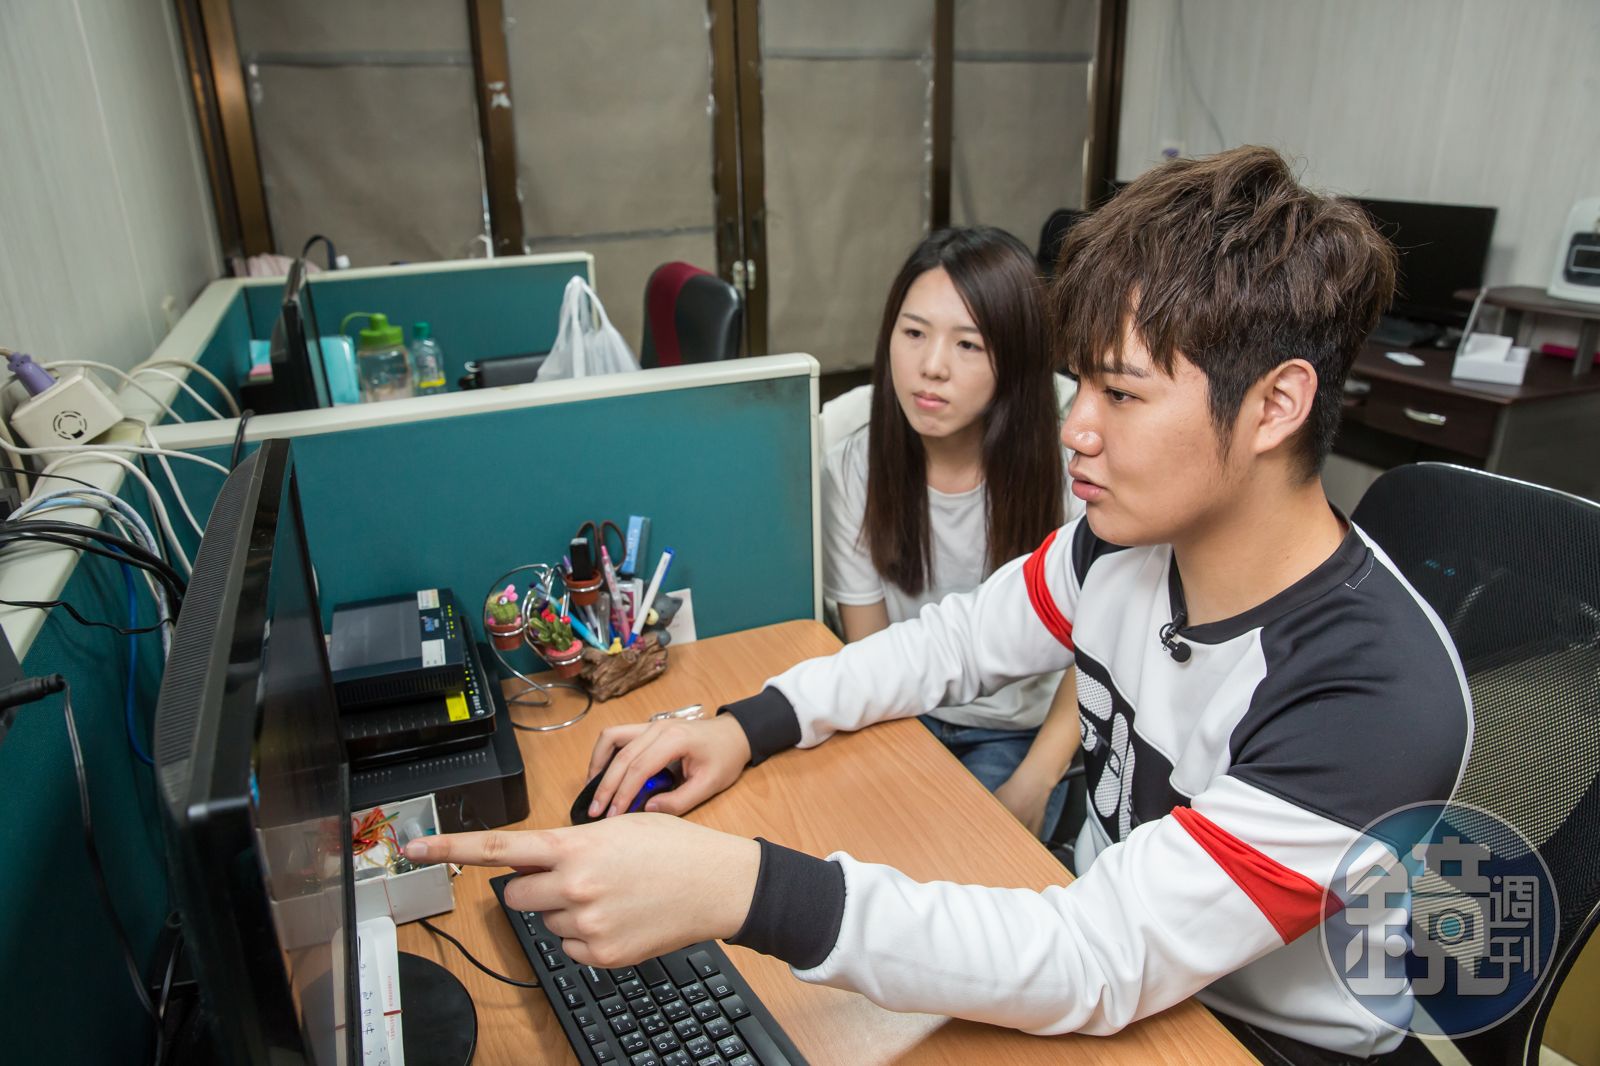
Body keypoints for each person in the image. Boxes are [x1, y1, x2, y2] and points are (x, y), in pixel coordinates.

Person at [406, 146, 1472, 1059]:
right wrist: (744, 725)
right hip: (1122, 975)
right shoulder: (1121, 547)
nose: (1075, 427)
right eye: (1082, 385)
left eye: (1120, 393)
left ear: (1276, 405)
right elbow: (950, 646)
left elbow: (1097, 955)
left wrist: (740, 888)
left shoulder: (1372, 696)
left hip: (1242, 1040)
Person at [824, 226, 1083, 839]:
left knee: (969, 865)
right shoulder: (853, 460)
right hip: (902, 713)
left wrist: (1036, 779)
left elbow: (1103, 645)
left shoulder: (1076, 464)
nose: (931, 367)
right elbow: (872, 656)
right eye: (913, 333)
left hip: (1017, 733)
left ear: (1016, 357)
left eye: (968, 344)